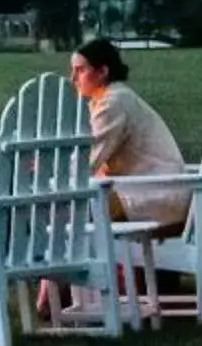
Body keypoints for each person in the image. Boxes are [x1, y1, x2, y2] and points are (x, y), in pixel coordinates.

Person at [70, 36, 192, 231]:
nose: (73, 78)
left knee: (62, 210)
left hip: (151, 195)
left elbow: (88, 159)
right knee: (71, 207)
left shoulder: (113, 102)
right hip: (149, 190)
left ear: (102, 71)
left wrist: (52, 171)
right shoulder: (115, 98)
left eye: (80, 70)